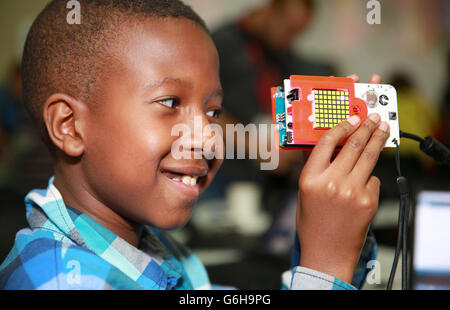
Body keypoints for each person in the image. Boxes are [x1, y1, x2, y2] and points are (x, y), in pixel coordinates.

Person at [0, 0, 389, 290]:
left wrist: (335, 239)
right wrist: (325, 269)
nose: (207, 138)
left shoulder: (164, 253)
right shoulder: (63, 280)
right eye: (170, 103)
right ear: (69, 126)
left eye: (214, 112)